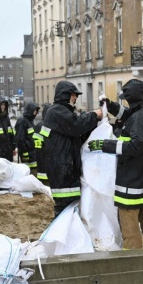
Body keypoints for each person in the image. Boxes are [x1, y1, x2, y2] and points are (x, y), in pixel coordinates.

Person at [89, 79, 143, 250]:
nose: (127, 103)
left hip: (131, 182)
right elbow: (130, 115)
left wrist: (104, 145)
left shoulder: (139, 117)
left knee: (130, 226)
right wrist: (111, 105)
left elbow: (135, 146)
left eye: (128, 100)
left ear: (134, 99)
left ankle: (132, 261)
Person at [41, 81, 102, 217]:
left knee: (69, 207)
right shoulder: (57, 111)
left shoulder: (59, 112)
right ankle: (60, 234)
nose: (76, 99)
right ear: (67, 95)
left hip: (64, 167)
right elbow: (76, 126)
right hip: (62, 168)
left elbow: (76, 134)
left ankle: (66, 234)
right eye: (74, 95)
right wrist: (94, 115)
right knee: (65, 208)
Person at [15, 101, 40, 176]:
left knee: (34, 173)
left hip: (32, 153)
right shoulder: (22, 121)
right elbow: (20, 139)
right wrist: (25, 153)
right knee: (28, 174)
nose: (35, 113)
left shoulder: (30, 120)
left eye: (36, 111)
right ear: (30, 110)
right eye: (35, 111)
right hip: (27, 154)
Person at [32, 103, 51, 185]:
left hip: (42, 160)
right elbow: (39, 145)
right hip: (45, 159)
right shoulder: (42, 126)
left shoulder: (39, 125)